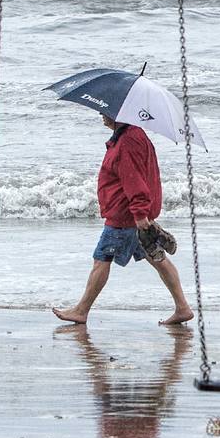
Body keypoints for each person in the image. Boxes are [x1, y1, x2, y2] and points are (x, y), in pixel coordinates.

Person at [53, 114, 194, 325]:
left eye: (104, 112)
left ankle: (81, 311)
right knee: (158, 258)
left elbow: (134, 180)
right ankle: (182, 307)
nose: (101, 115)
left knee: (101, 259)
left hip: (124, 214)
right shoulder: (130, 135)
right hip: (131, 213)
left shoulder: (128, 140)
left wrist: (139, 215)